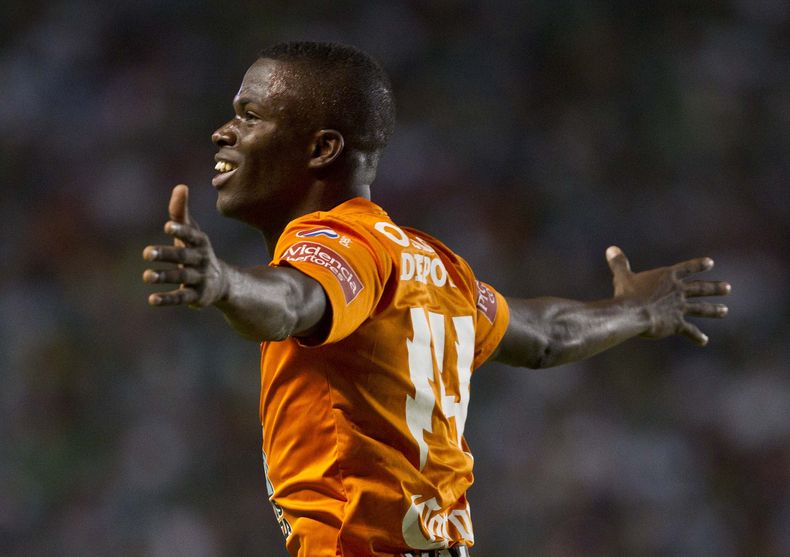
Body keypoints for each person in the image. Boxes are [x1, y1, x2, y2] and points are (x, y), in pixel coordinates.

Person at [142, 42, 730, 557]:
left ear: (322, 149)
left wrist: (224, 285)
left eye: (250, 115)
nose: (224, 131)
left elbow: (295, 302)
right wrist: (637, 312)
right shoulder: (432, 263)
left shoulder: (338, 243)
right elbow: (545, 336)